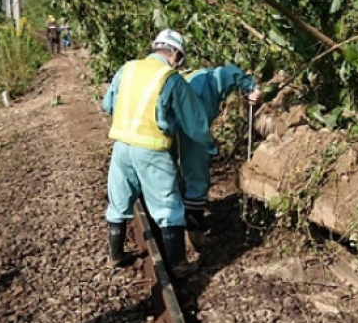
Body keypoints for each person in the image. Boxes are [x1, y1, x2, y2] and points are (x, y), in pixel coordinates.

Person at [102, 29, 215, 274]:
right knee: (168, 207)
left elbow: (107, 104)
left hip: (121, 147)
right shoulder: (171, 78)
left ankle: (115, 255)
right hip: (152, 150)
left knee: (119, 201)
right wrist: (209, 146)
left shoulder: (128, 68)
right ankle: (178, 264)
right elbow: (194, 124)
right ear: (175, 54)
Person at [178, 65, 262, 248]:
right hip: (191, 135)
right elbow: (197, 127)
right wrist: (210, 144)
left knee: (180, 179)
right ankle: (194, 233)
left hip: (175, 132)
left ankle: (185, 223)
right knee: (197, 180)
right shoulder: (211, 81)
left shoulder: (194, 76)